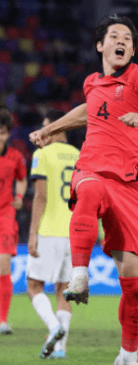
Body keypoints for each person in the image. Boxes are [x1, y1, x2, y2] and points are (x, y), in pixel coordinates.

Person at [29, 15, 138, 365]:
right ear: (100, 45)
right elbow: (91, 111)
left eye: (128, 39)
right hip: (93, 171)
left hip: (130, 188)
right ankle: (80, 275)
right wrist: (51, 128)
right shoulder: (92, 82)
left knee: (133, 287)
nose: (122, 42)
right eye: (115, 36)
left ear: (132, 49)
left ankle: (128, 355)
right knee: (88, 191)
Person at [27, 110, 80, 359]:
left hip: (49, 230)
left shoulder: (41, 154)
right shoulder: (82, 156)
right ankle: (61, 350)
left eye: (48, 128)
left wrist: (32, 234)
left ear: (60, 128)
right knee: (64, 290)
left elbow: (41, 196)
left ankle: (53, 328)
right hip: (76, 233)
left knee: (33, 286)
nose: (43, 133)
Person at [0, 108, 27, 335]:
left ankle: (2, 320)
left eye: (1, 132)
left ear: (7, 134)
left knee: (3, 264)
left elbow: (21, 179)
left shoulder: (15, 157)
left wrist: (18, 197)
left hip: (5, 214)